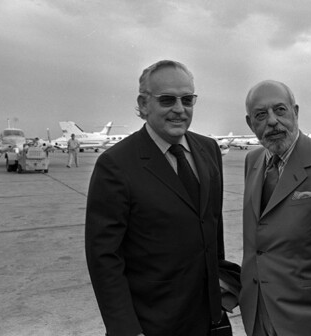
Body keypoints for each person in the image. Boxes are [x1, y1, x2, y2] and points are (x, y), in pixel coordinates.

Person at [85, 60, 234, 336]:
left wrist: (222, 287)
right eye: (167, 100)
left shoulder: (209, 149)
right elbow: (104, 257)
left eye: (187, 99)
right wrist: (126, 330)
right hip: (154, 323)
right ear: (143, 104)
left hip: (211, 318)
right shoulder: (116, 164)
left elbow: (212, 228)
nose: (180, 109)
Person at [239, 80, 311, 336]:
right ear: (251, 124)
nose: (272, 121)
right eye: (261, 115)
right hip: (258, 315)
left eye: (280, 110)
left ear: (296, 112)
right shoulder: (253, 161)